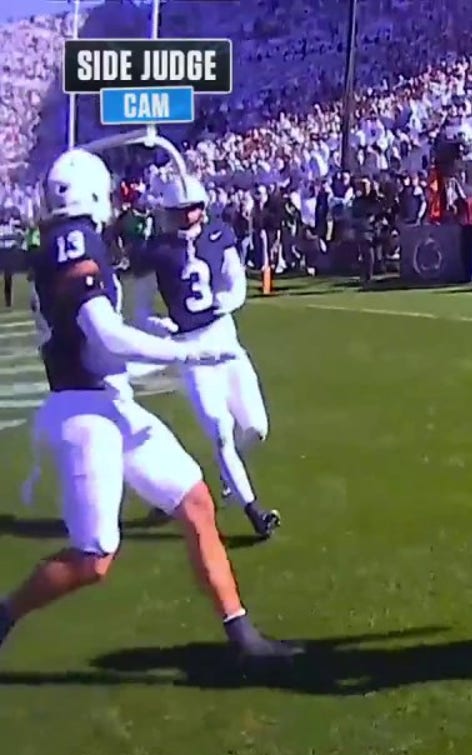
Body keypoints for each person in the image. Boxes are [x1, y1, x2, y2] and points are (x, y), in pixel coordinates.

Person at [0, 149, 300, 665]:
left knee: (196, 502)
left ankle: (242, 635)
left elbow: (101, 347)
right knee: (95, 558)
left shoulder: (67, 240)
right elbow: (104, 335)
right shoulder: (73, 242)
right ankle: (3, 615)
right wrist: (186, 350)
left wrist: (154, 350)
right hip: (84, 411)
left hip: (111, 399)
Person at [129, 174, 281, 540]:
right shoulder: (157, 251)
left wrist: (224, 302)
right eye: (180, 210)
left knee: (256, 428)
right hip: (193, 351)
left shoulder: (219, 235)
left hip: (226, 341)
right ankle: (253, 509)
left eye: (192, 208)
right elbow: (140, 307)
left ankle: (230, 473)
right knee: (220, 432)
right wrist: (158, 324)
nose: (188, 216)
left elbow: (235, 283)